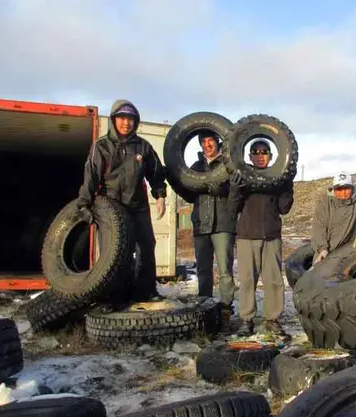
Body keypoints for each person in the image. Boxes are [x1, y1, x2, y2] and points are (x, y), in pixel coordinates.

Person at [76, 99, 168, 302]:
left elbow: (155, 173)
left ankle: (146, 291)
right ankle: (114, 296)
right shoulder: (101, 146)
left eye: (130, 119)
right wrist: (84, 205)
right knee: (115, 253)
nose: (126, 123)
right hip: (111, 209)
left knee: (145, 247)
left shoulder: (142, 147)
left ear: (136, 122)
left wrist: (160, 195)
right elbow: (90, 177)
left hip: (138, 207)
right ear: (114, 120)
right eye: (122, 118)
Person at [229, 140, 294, 336]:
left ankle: (272, 320)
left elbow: (284, 208)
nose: (260, 155)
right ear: (249, 156)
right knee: (247, 280)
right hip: (247, 235)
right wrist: (235, 189)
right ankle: (246, 320)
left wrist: (286, 185)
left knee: (274, 280)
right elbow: (233, 208)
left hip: (271, 236)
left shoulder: (277, 177)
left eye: (264, 152)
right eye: (255, 152)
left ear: (271, 156)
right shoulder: (242, 176)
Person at [173, 130, 237, 324]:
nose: (208, 145)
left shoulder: (229, 164)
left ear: (218, 142)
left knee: (225, 269)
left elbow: (236, 192)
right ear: (200, 145)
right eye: (204, 142)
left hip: (223, 224)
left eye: (211, 141)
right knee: (203, 269)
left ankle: (226, 308)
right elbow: (190, 195)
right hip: (201, 224)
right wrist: (176, 183)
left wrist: (223, 189)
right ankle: (205, 306)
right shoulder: (196, 167)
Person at [311, 172, 356, 264]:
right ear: (334, 190)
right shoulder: (324, 204)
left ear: (352, 189)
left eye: (346, 189)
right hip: (325, 253)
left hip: (348, 253)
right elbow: (319, 227)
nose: (343, 193)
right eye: (339, 189)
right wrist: (322, 248)